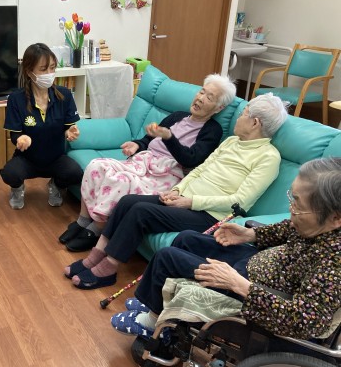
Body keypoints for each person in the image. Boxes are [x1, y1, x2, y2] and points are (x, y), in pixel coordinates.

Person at [64, 93, 288, 289]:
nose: (238, 117)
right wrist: (177, 190)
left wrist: (190, 201)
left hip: (210, 215)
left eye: (243, 114)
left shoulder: (268, 158)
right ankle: (94, 257)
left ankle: (108, 269)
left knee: (141, 211)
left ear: (255, 123)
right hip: (185, 199)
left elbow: (240, 202)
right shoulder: (231, 142)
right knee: (128, 201)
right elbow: (200, 169)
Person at [111, 157, 341, 341]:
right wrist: (250, 234)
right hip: (258, 264)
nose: (291, 210)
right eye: (292, 198)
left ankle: (153, 324)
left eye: (298, 205)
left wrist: (238, 285)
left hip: (255, 291)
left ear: (335, 218)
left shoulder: (334, 263)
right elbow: (287, 228)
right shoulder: (315, 224)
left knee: (167, 257)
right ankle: (156, 303)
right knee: (186, 238)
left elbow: (306, 320)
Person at [59, 73, 237, 252]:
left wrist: (169, 137)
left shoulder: (212, 130)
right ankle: (82, 221)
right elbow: (149, 139)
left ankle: (97, 229)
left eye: (209, 97)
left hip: (166, 174)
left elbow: (191, 158)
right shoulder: (177, 116)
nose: (200, 98)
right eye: (202, 92)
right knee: (96, 165)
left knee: (121, 181)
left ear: (219, 107)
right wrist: (137, 144)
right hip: (143, 160)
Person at [1, 43, 83, 209]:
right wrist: (21, 139)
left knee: (75, 173)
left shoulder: (64, 95)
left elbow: (68, 127)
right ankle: (17, 189)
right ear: (29, 71)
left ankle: (56, 185)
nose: (49, 74)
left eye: (52, 68)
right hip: (27, 160)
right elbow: (15, 135)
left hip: (55, 158)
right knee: (10, 174)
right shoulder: (16, 99)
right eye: (43, 69)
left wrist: (70, 131)